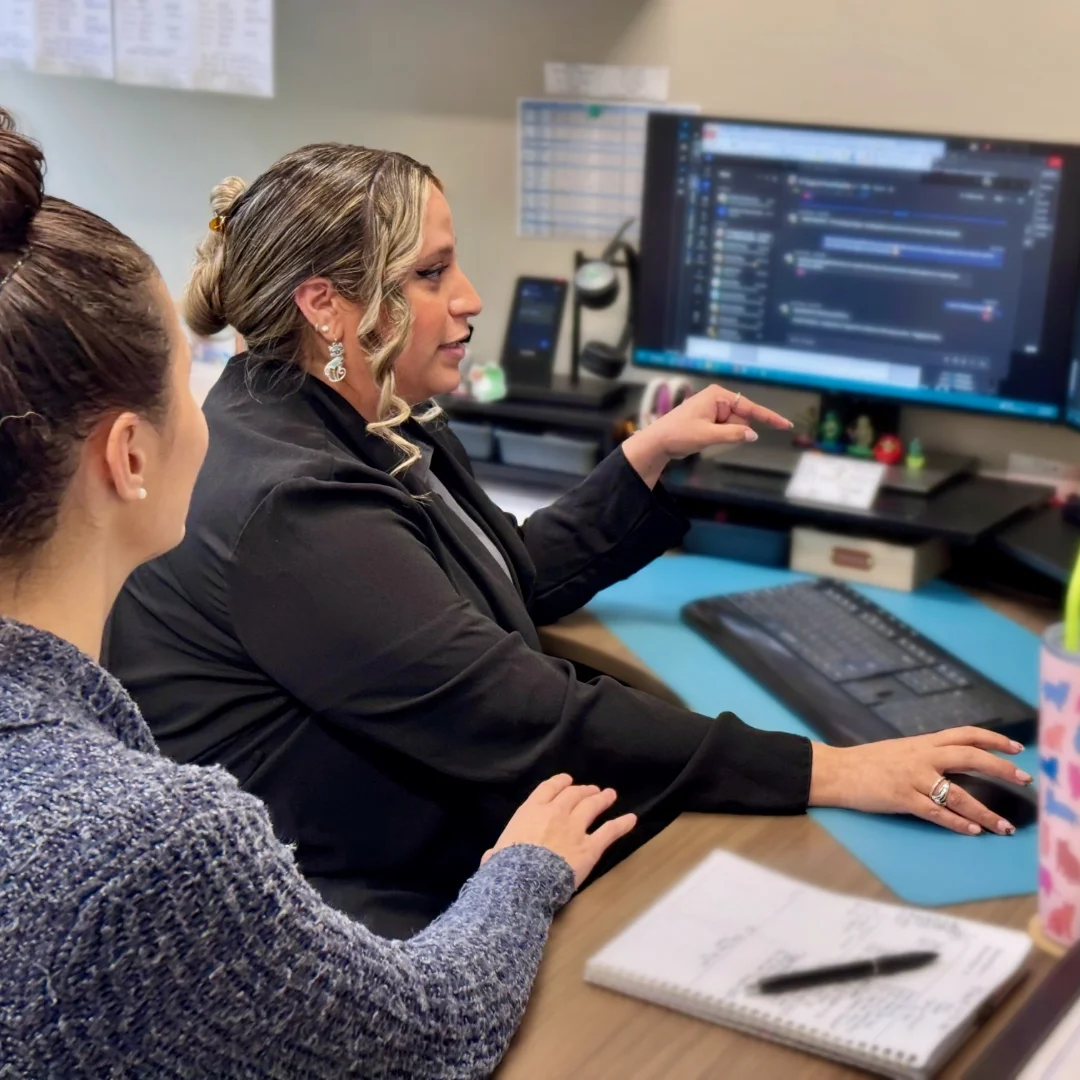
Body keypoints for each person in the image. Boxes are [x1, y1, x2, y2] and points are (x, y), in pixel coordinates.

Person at [105, 140, 1032, 939]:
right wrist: (828, 769)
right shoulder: (291, 502)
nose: (469, 298)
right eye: (430, 274)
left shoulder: (359, 419)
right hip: (365, 921)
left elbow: (491, 584)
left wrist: (646, 460)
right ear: (326, 307)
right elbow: (516, 710)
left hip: (431, 843)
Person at [0, 109, 637, 1078]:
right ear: (128, 455)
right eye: (189, 379)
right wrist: (526, 868)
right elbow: (430, 1032)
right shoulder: (148, 844)